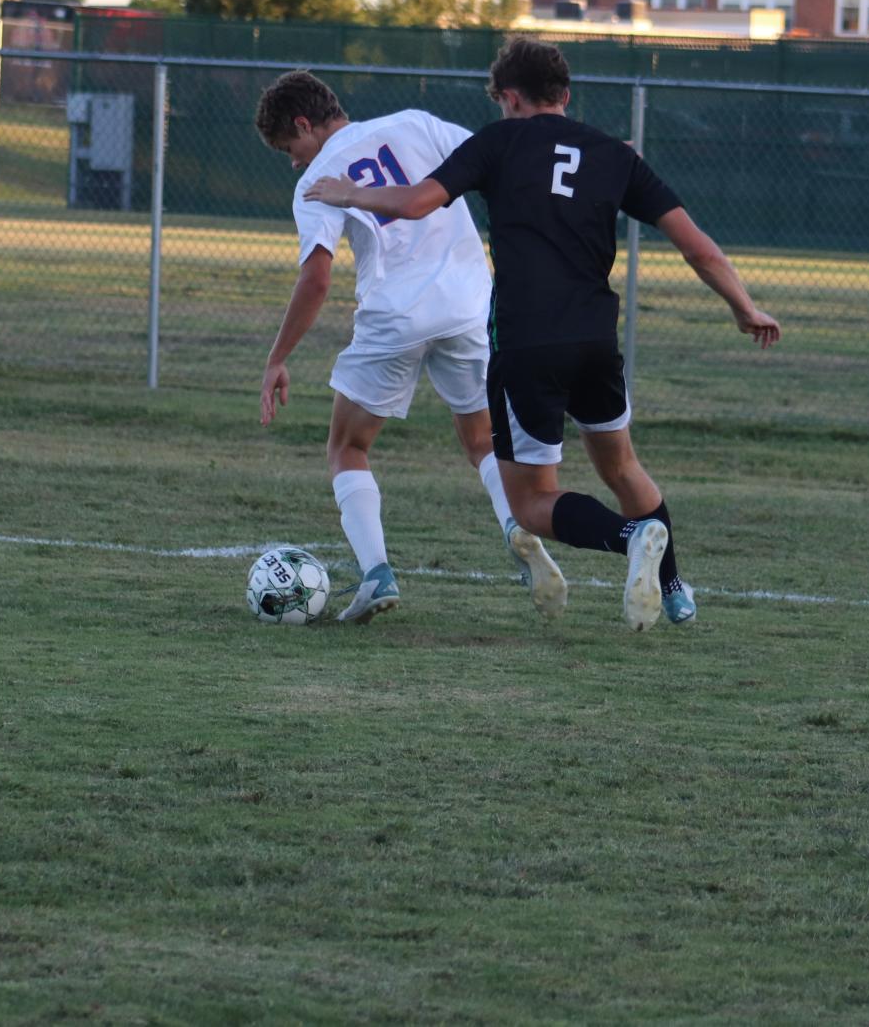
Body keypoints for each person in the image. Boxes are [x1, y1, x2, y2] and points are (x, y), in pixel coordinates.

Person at [306, 39, 781, 631]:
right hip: (596, 343)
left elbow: (414, 203)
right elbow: (699, 248)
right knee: (623, 468)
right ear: (566, 94)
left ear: (509, 97)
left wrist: (346, 192)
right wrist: (744, 307)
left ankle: (633, 536)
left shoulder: (499, 142)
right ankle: (676, 587)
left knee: (531, 504)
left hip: (527, 347)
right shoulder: (613, 154)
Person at [255, 70, 566, 624]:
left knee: (347, 447)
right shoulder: (416, 123)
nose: (295, 162)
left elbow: (317, 280)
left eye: (289, 148)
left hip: (395, 314)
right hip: (469, 305)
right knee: (480, 440)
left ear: (305, 123)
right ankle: (516, 525)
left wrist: (278, 357)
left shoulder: (319, 179)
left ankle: (376, 573)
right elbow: (501, 156)